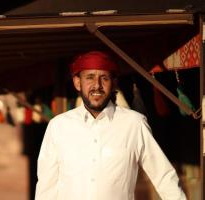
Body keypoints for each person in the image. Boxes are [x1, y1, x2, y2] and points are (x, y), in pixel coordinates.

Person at [35, 51, 186, 200]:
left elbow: (163, 176)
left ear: (113, 83)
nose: (97, 85)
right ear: (77, 83)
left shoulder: (134, 124)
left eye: (104, 78)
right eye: (90, 78)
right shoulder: (58, 126)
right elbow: (46, 186)